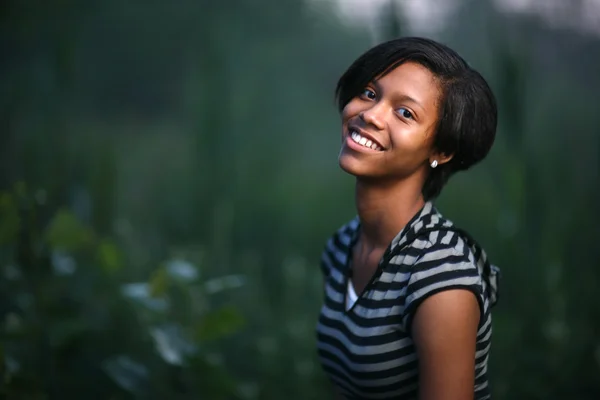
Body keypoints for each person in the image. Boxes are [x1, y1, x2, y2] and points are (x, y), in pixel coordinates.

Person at [315, 37, 501, 400]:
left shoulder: (441, 276)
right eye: (369, 93)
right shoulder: (342, 246)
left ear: (441, 150)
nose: (370, 114)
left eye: (405, 113)